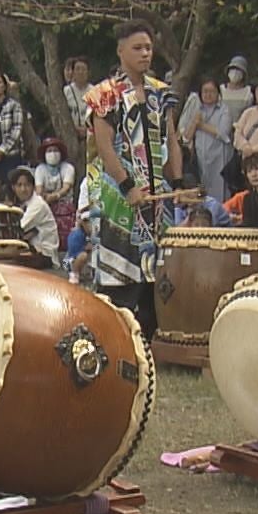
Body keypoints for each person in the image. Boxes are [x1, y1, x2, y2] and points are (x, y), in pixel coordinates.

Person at [84, 19, 182, 336]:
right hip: (119, 195)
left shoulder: (160, 92)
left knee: (158, 271)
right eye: (137, 48)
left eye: (149, 48)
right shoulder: (105, 95)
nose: (145, 54)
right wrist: (126, 185)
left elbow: (171, 138)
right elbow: (104, 144)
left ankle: (155, 333)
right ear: (121, 50)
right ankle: (115, 335)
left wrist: (178, 182)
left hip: (157, 195)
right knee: (120, 270)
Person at [180, 77, 235, 204]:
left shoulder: (224, 110)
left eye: (212, 91)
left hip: (219, 158)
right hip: (200, 159)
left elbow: (223, 133)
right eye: (205, 91)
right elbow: (186, 137)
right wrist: (194, 122)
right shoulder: (197, 109)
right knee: (203, 193)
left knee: (220, 192)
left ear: (218, 93)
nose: (208, 95)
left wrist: (202, 125)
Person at [9, 166, 59, 265]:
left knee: (9, 262)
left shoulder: (38, 204)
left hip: (45, 255)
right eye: (19, 185)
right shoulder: (23, 204)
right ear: (13, 188)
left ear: (33, 187)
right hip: (32, 250)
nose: (23, 189)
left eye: (27, 185)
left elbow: (18, 229)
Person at [34, 136, 78, 249]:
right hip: (46, 205)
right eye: (49, 151)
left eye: (55, 150)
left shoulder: (68, 168)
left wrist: (55, 196)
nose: (52, 154)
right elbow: (39, 190)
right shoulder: (40, 169)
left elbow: (66, 188)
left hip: (66, 207)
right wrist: (44, 198)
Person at [61, 56, 94, 140]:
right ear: (73, 72)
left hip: (91, 135)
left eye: (83, 69)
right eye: (77, 69)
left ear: (88, 72)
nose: (80, 72)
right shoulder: (66, 91)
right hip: (71, 135)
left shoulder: (94, 91)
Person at [218, 55, 256, 127]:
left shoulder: (248, 93)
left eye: (238, 70)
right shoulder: (220, 90)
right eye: (233, 69)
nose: (235, 72)